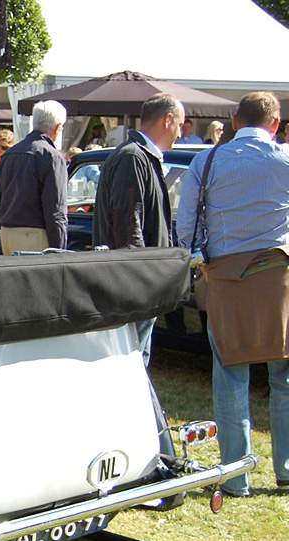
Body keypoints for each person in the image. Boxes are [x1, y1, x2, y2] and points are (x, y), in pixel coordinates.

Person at [176, 91, 289, 497]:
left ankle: (235, 476)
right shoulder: (286, 160)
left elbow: (186, 223)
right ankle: (287, 469)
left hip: (225, 276)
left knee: (230, 376)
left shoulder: (205, 161)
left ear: (236, 121)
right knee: (285, 377)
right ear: (274, 125)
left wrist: (203, 257)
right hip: (279, 276)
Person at [93, 93, 185, 366]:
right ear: (168, 120)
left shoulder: (140, 156)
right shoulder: (133, 157)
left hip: (143, 278)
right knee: (131, 360)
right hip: (135, 282)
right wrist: (140, 276)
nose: (180, 133)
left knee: (137, 357)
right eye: (180, 124)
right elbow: (127, 221)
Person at [0, 100, 69, 253]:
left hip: (7, 231)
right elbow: (55, 209)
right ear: (57, 128)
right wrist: (59, 249)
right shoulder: (51, 156)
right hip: (35, 234)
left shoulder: (9, 153)